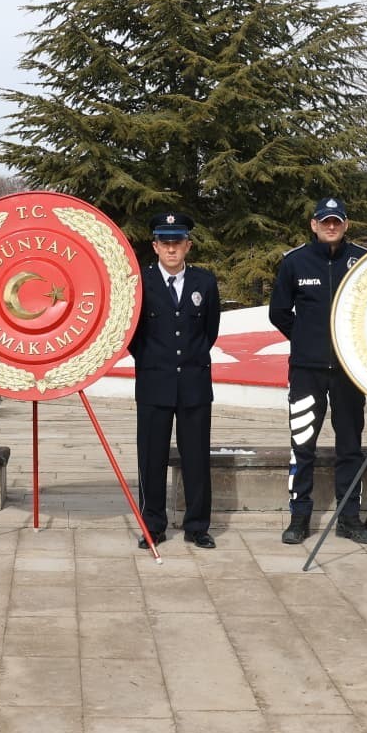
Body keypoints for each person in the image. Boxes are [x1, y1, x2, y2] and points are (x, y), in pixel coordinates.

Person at [269, 197, 367, 546]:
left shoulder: (363, 261)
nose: (331, 227)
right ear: (314, 225)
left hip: (349, 372)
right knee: (303, 444)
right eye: (324, 221)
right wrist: (306, 340)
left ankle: (349, 518)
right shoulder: (295, 262)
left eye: (337, 222)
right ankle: (299, 518)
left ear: (345, 225)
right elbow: (279, 312)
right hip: (306, 372)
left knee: (350, 447)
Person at [128, 211, 221, 550]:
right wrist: (156, 362)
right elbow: (133, 336)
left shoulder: (205, 282)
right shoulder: (140, 282)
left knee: (196, 457)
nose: (171, 249)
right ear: (154, 246)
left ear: (188, 246)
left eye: (177, 243)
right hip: (154, 382)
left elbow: (209, 332)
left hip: (194, 383)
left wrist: (187, 362)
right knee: (150, 458)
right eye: (165, 243)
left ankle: (197, 525)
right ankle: (152, 525)